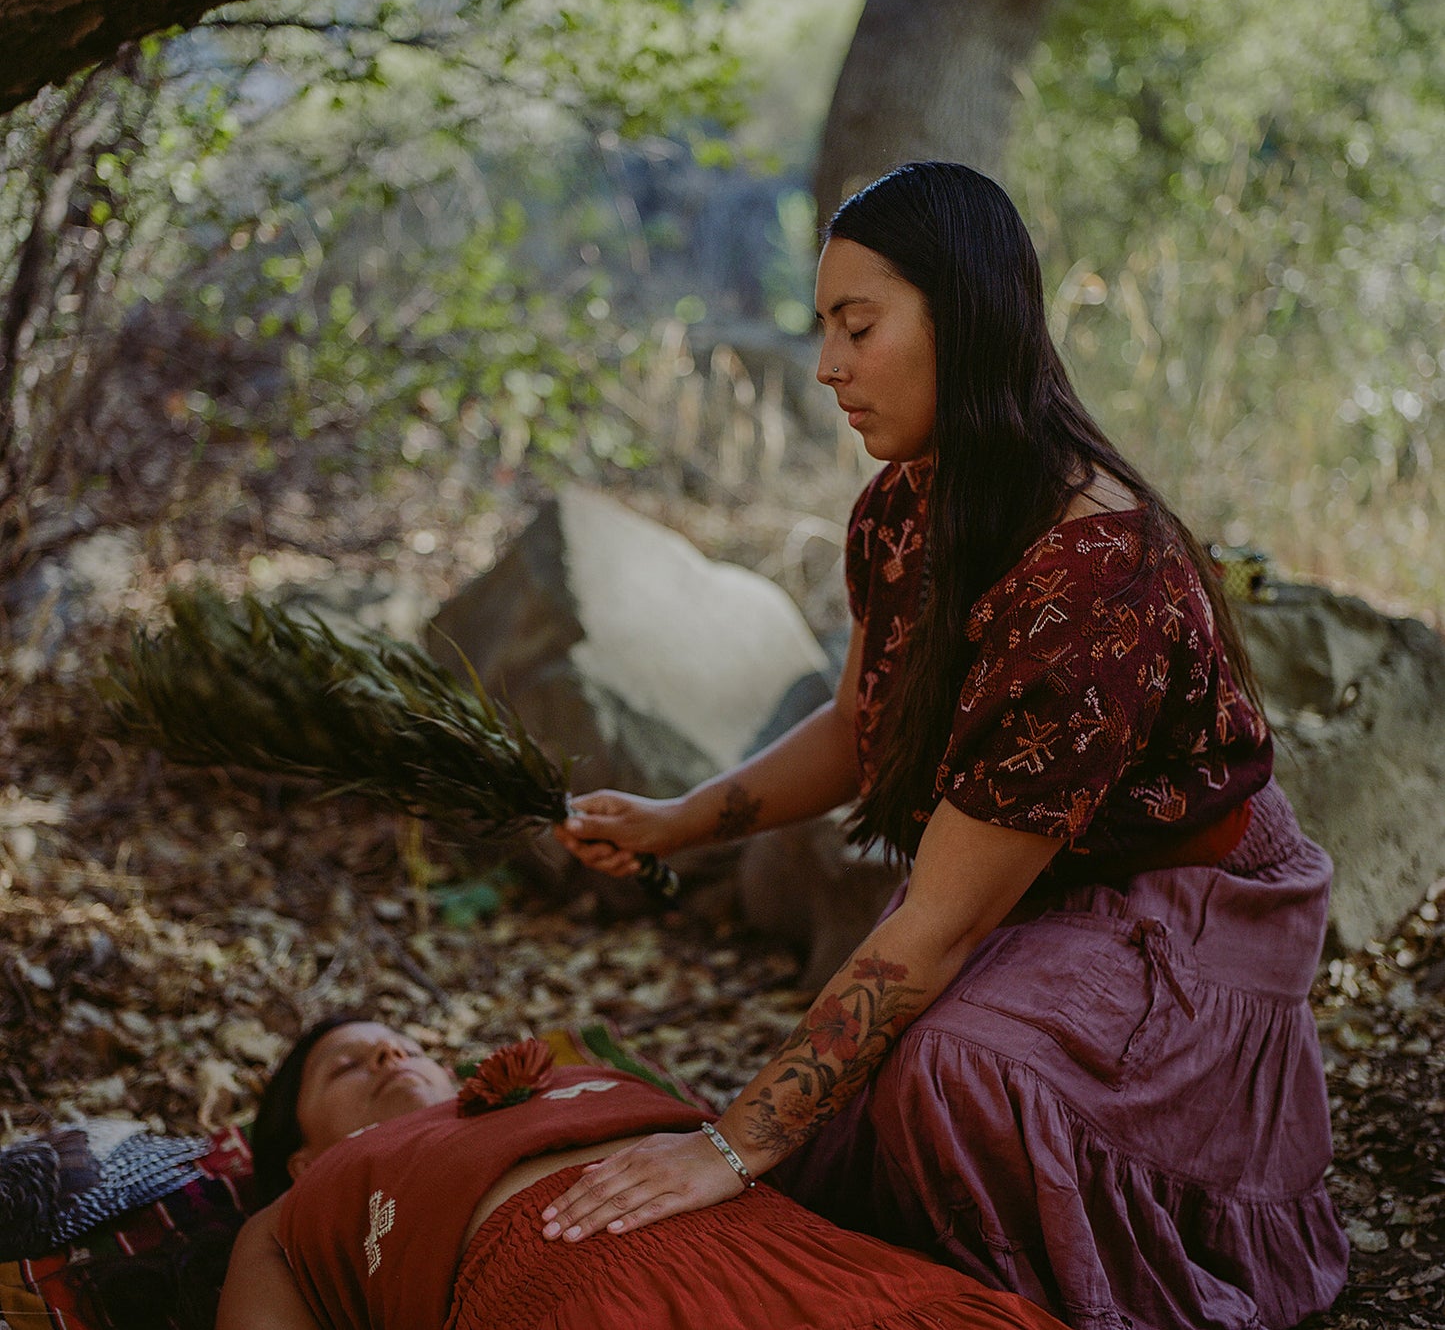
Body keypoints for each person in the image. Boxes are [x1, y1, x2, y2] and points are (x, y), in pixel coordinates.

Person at [549, 161, 1349, 1330]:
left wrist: (732, 1142)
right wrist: (677, 819)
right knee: (868, 1080)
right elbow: (856, 731)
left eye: (856, 326)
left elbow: (946, 920)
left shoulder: (1096, 569)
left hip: (1185, 907)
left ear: (964, 317)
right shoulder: (901, 505)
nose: (827, 366)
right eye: (822, 326)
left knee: (948, 1072)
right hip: (1018, 884)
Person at [217, 1015, 1069, 1330]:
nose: (389, 1050)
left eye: (399, 1039)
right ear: (306, 1155)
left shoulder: (566, 1079)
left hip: (785, 1249)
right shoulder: (295, 1212)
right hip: (570, 1289)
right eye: (347, 1065)